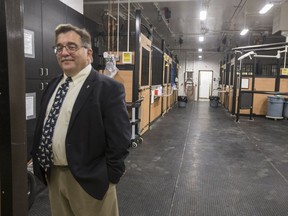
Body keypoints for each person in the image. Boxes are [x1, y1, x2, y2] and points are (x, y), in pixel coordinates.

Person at [31, 23, 131, 216]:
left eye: (71, 46)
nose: (64, 52)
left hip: (90, 180)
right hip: (54, 175)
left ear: (89, 53)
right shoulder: (54, 85)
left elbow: (120, 139)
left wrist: (109, 177)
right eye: (59, 48)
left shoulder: (108, 88)